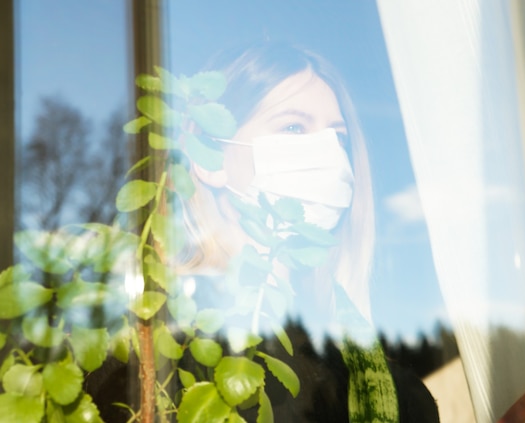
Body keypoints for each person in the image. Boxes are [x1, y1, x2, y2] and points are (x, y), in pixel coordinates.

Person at [173, 41, 440, 422]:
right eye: (294, 127)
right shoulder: (155, 352)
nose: (326, 153)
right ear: (209, 155)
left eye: (338, 137)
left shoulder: (399, 397)